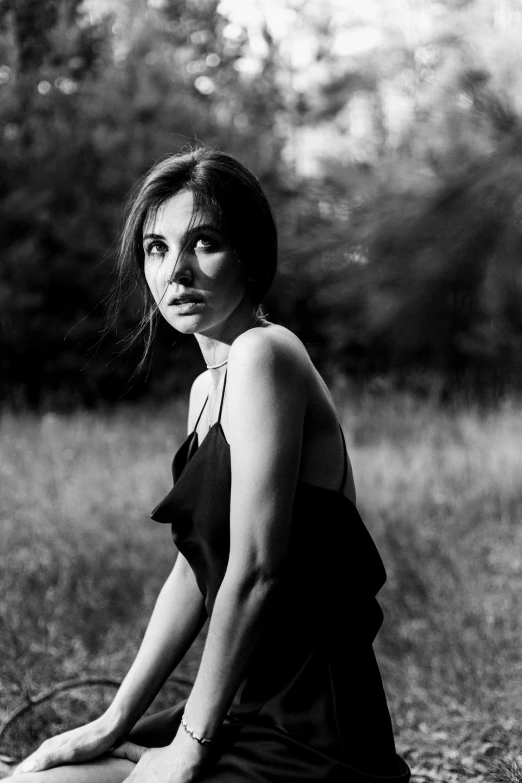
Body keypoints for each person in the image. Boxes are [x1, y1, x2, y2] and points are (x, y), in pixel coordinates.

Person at [10, 148, 410, 783]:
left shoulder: (265, 354)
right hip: (243, 701)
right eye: (157, 248)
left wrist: (187, 750)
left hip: (313, 725)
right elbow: (193, 572)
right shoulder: (206, 390)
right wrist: (111, 721)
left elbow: (257, 572)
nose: (177, 271)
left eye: (204, 243)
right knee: (36, 777)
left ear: (249, 254)